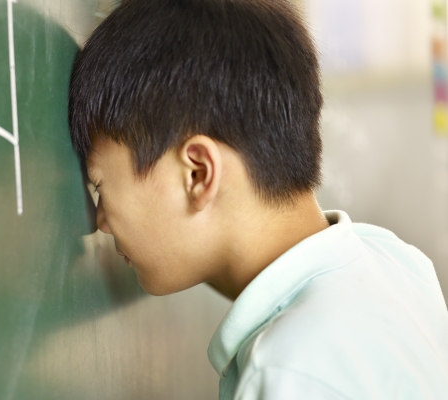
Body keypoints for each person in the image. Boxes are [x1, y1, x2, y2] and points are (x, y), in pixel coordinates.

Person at [68, 0, 448, 398]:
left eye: (100, 188)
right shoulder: (395, 259)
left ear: (197, 174)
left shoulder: (289, 373)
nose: (99, 221)